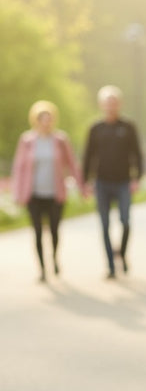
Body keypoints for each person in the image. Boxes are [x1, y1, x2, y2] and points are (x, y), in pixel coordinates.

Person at [11, 100, 86, 282]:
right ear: (35, 120)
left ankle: (54, 258)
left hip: (55, 194)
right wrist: (18, 194)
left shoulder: (60, 140)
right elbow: (19, 167)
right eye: (42, 119)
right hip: (34, 194)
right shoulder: (27, 140)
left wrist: (81, 187)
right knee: (37, 231)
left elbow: (72, 164)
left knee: (54, 230)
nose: (46, 122)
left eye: (49, 119)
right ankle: (43, 269)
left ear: (53, 120)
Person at [82, 85, 144, 278]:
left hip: (124, 182)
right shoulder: (95, 128)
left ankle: (122, 254)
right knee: (105, 225)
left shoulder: (128, 127)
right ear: (102, 105)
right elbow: (88, 155)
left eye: (114, 102)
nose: (111, 106)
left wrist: (137, 178)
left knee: (125, 221)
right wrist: (86, 181)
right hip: (101, 183)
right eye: (107, 102)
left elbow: (137, 154)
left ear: (119, 104)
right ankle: (110, 265)